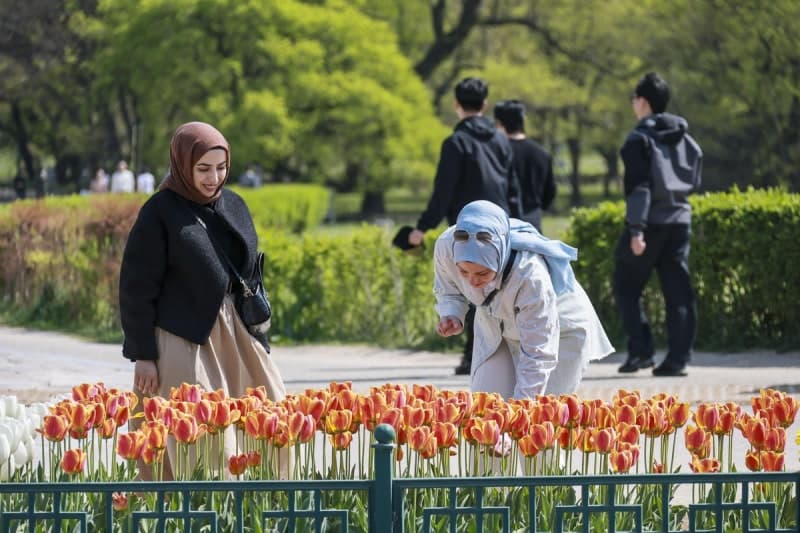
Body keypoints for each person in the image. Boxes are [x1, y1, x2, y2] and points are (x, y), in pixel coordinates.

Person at [119, 121, 286, 479]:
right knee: (198, 436)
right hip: (183, 339)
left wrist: (259, 335)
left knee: (271, 418)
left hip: (238, 336)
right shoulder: (159, 213)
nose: (214, 178)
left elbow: (251, 274)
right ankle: (187, 515)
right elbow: (136, 288)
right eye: (203, 169)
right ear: (182, 164)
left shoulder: (235, 205)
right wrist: (143, 354)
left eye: (221, 168)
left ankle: (260, 511)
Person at [434, 200, 613, 398]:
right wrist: (452, 312)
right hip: (497, 325)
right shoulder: (446, 247)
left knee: (541, 414)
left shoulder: (530, 276)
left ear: (500, 256)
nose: (473, 281)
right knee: (487, 408)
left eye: (483, 273)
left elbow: (538, 354)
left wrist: (522, 408)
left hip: (560, 334)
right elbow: (448, 287)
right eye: (463, 272)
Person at [408, 77, 521, 376]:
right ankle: (498, 352)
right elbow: (513, 187)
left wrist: (424, 226)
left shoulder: (456, 142)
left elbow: (443, 191)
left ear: (456, 105)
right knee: (496, 286)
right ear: (485, 105)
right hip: (501, 227)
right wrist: (519, 227)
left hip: (466, 228)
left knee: (471, 285)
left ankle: (476, 356)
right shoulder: (501, 140)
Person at [614, 72, 702, 377]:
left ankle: (641, 351)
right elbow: (695, 175)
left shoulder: (638, 140)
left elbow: (639, 188)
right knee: (678, 291)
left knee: (625, 286)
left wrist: (636, 230)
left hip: (649, 222)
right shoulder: (686, 138)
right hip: (680, 220)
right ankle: (678, 359)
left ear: (642, 102)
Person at [493, 100, 556, 233]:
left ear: (499, 123)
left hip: (501, 225)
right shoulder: (542, 153)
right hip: (533, 224)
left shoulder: (495, 152)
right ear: (523, 120)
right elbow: (550, 194)